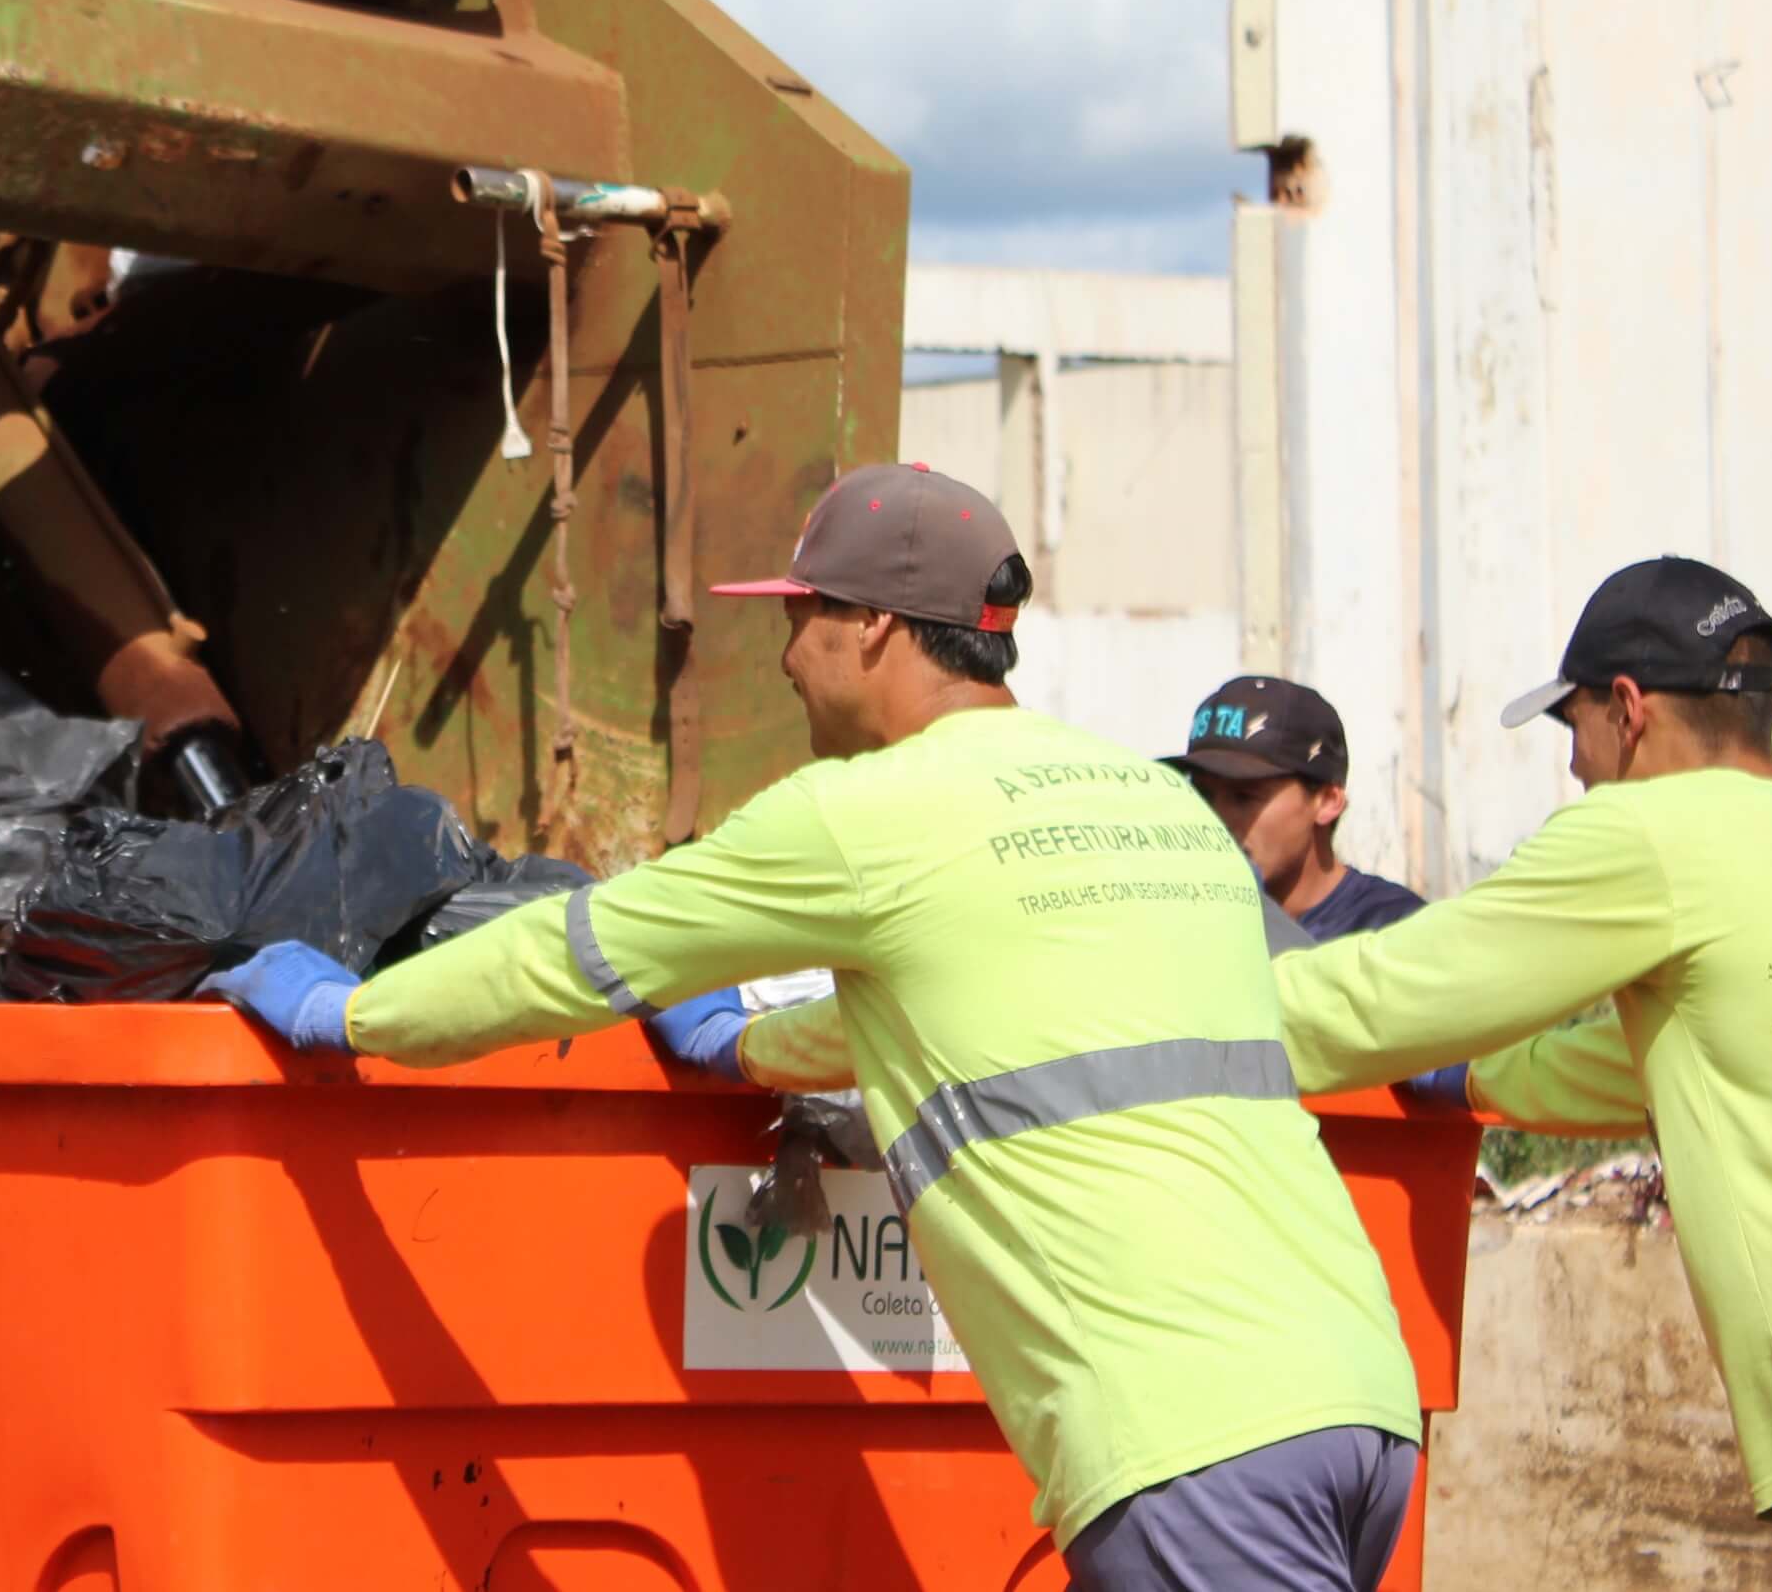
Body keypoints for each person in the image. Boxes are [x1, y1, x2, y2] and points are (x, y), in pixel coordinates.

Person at [205, 464, 1425, 1591]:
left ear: (875, 628)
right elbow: (1005, 1025)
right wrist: (746, 1049)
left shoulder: (867, 813)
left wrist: (350, 1013)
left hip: (1189, 1442)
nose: (785, 655)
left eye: (799, 615)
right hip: (1359, 1400)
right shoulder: (1157, 808)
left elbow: (572, 955)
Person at [1271, 557, 1772, 1590]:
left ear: (1628, 710)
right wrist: (1478, 1079)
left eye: (1573, 733)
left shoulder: (1646, 834)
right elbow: (1692, 1057)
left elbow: (1382, 996)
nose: (1574, 770)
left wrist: (1173, 1012)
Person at [1169, 675, 1423, 941]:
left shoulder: (1392, 930)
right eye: (1203, 795)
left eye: (1244, 797)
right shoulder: (1185, 922)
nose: (1216, 820)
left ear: (1327, 801)